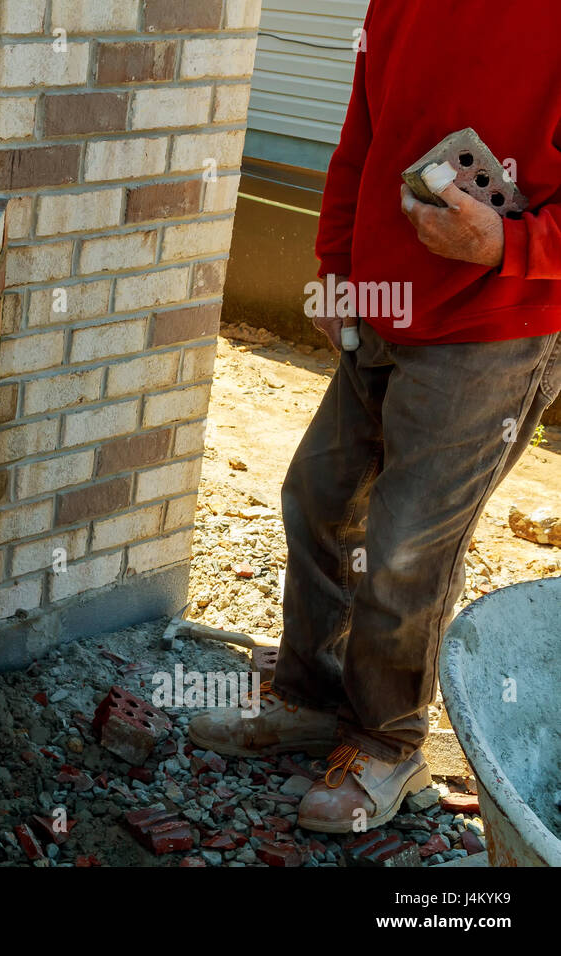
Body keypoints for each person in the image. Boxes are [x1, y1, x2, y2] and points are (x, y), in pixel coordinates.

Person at [189, 0, 561, 832]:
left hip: (495, 330)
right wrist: (334, 263)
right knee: (319, 499)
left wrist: (508, 248)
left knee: (405, 547)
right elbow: (363, 135)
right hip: (381, 308)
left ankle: (387, 743)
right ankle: (310, 695)